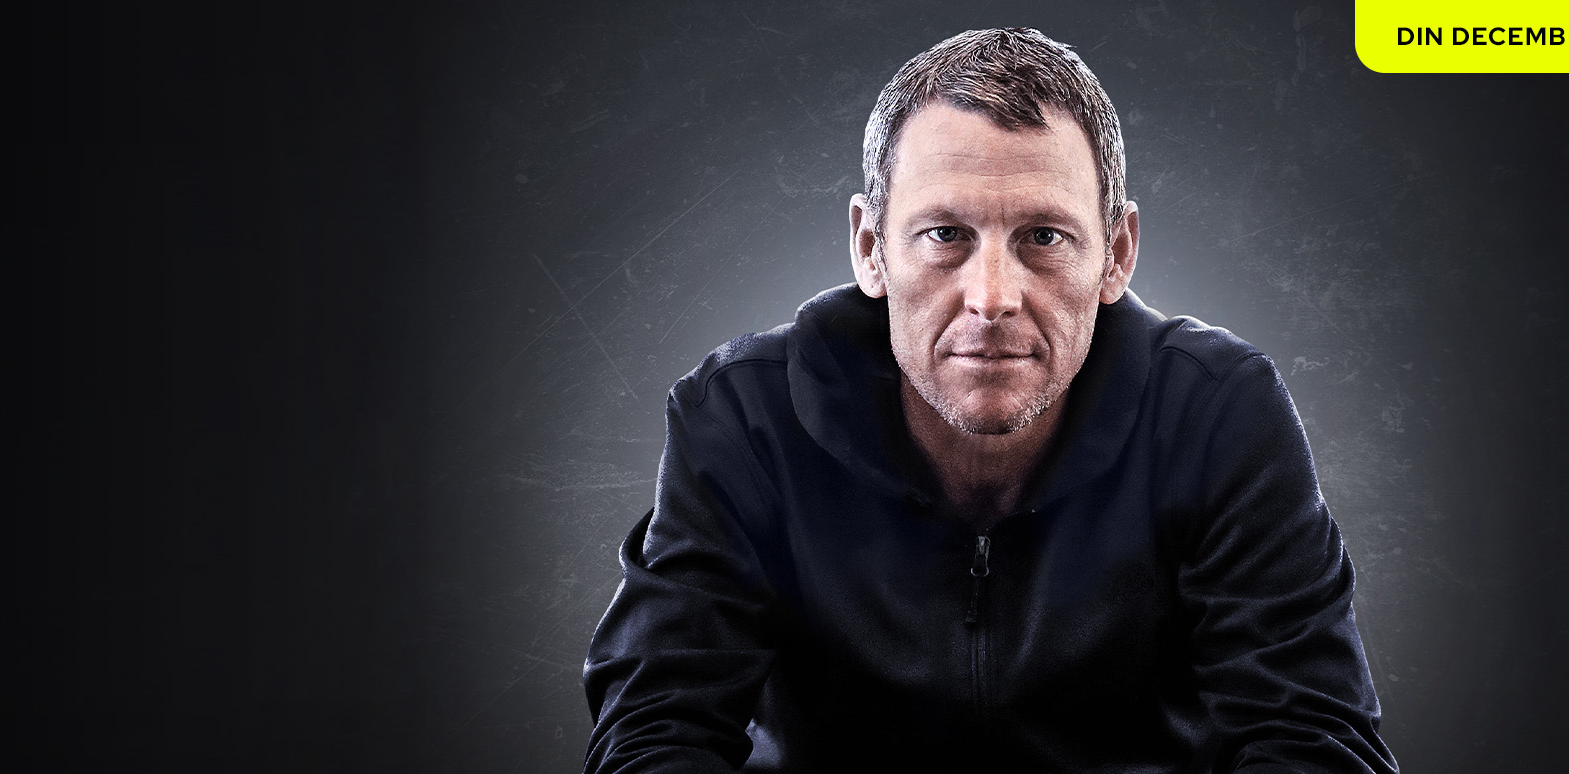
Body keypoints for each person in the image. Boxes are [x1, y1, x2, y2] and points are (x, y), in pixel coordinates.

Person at [583, 28, 1397, 773]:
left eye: (1044, 237)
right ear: (871, 248)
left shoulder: (1218, 412)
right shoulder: (743, 417)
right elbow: (655, 733)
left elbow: (1312, 740)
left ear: (1116, 254)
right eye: (945, 235)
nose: (993, 296)